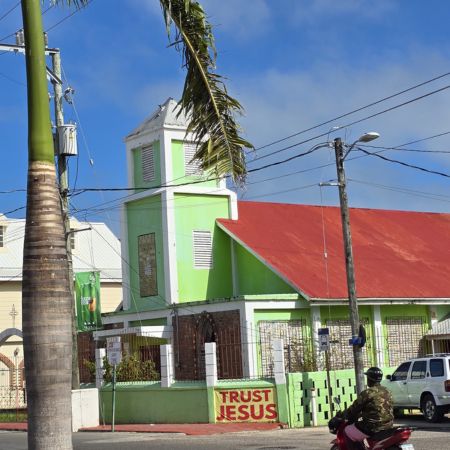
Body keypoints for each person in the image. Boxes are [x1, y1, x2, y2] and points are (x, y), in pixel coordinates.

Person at [339, 367, 394, 450]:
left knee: (347, 431)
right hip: (388, 425)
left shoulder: (368, 393)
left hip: (373, 427)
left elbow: (353, 409)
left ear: (370, 379)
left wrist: (342, 415)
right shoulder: (387, 391)